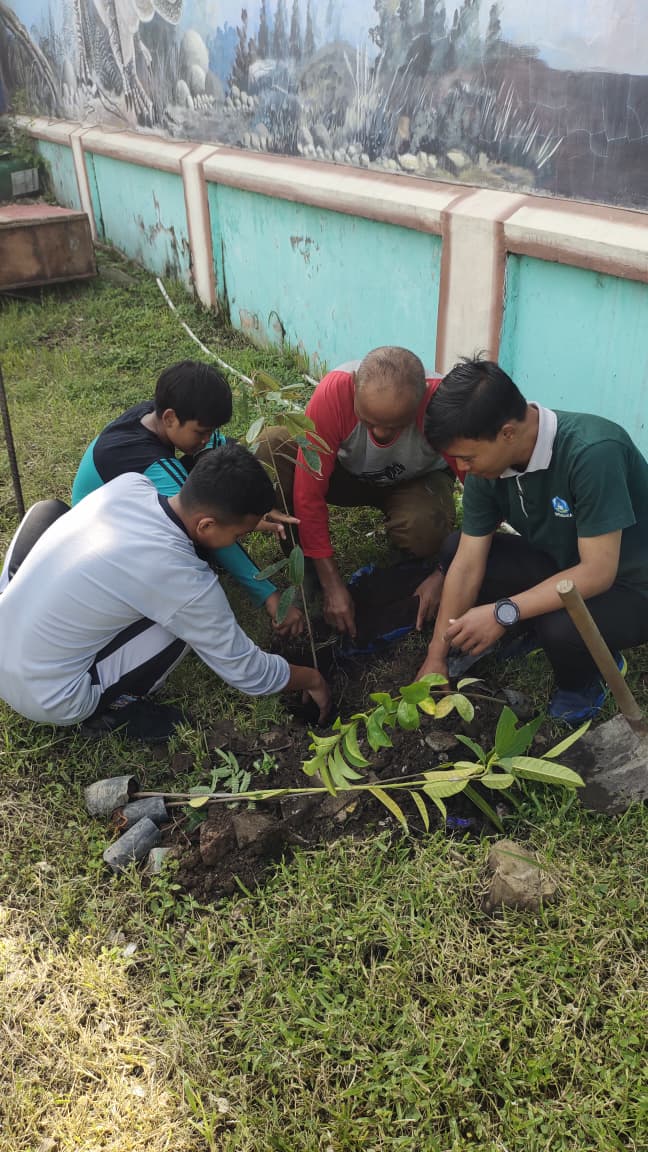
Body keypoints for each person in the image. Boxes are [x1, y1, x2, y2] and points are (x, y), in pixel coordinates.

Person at [0, 445, 330, 742]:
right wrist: (312, 679)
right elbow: (248, 672)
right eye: (240, 533)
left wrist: (245, 519)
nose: (240, 539)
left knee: (48, 511)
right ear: (207, 525)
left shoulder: (131, 485)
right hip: (48, 694)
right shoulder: (188, 585)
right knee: (178, 629)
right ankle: (113, 710)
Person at [416, 357, 648, 723]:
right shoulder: (487, 468)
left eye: (467, 457)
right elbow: (468, 562)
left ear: (508, 433)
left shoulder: (592, 453)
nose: (461, 469)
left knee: (563, 624)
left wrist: (503, 611)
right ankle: (533, 627)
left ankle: (587, 678)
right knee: (453, 550)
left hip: (630, 586)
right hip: (561, 563)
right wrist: (436, 654)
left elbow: (599, 572)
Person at [71, 359, 304, 638]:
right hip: (101, 552)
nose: (207, 439)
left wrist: (255, 508)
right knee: (199, 527)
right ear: (170, 418)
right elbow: (205, 522)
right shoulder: (149, 462)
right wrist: (269, 595)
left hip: (124, 518)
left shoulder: (153, 416)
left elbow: (219, 449)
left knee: (224, 465)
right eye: (201, 432)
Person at [257, 347, 458, 638]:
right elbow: (308, 495)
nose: (380, 435)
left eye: (394, 427)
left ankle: (408, 570)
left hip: (415, 480)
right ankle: (307, 569)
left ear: (421, 401)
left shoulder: (442, 403)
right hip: (347, 474)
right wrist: (332, 584)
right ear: (353, 387)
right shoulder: (333, 394)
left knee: (424, 525)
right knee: (271, 448)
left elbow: (483, 491)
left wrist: (443, 572)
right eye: (369, 421)